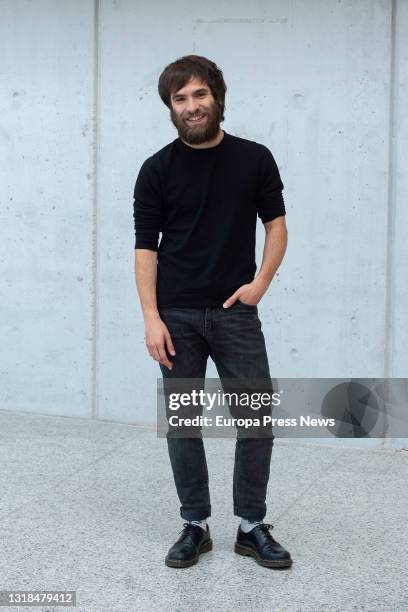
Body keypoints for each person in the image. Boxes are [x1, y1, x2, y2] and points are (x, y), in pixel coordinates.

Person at [133, 54, 292, 569]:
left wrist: (260, 284)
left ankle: (250, 526)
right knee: (183, 423)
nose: (191, 106)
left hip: (235, 314)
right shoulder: (155, 170)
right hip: (175, 316)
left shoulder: (255, 159)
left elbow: (276, 225)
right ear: (171, 108)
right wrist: (151, 318)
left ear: (217, 97)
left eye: (199, 94)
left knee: (256, 419)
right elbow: (145, 249)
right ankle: (195, 524)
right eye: (180, 99)